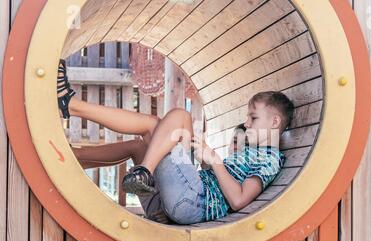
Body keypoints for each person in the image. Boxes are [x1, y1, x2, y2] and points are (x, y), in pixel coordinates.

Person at [57, 59, 293, 225]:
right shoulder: (251, 152)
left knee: (177, 118)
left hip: (193, 202)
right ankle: (75, 157)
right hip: (172, 205)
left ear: (274, 122)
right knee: (140, 147)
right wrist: (207, 163)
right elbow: (222, 184)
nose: (248, 123)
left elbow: (238, 199)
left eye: (253, 118)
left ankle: (73, 105)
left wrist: (216, 162)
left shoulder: (270, 159)